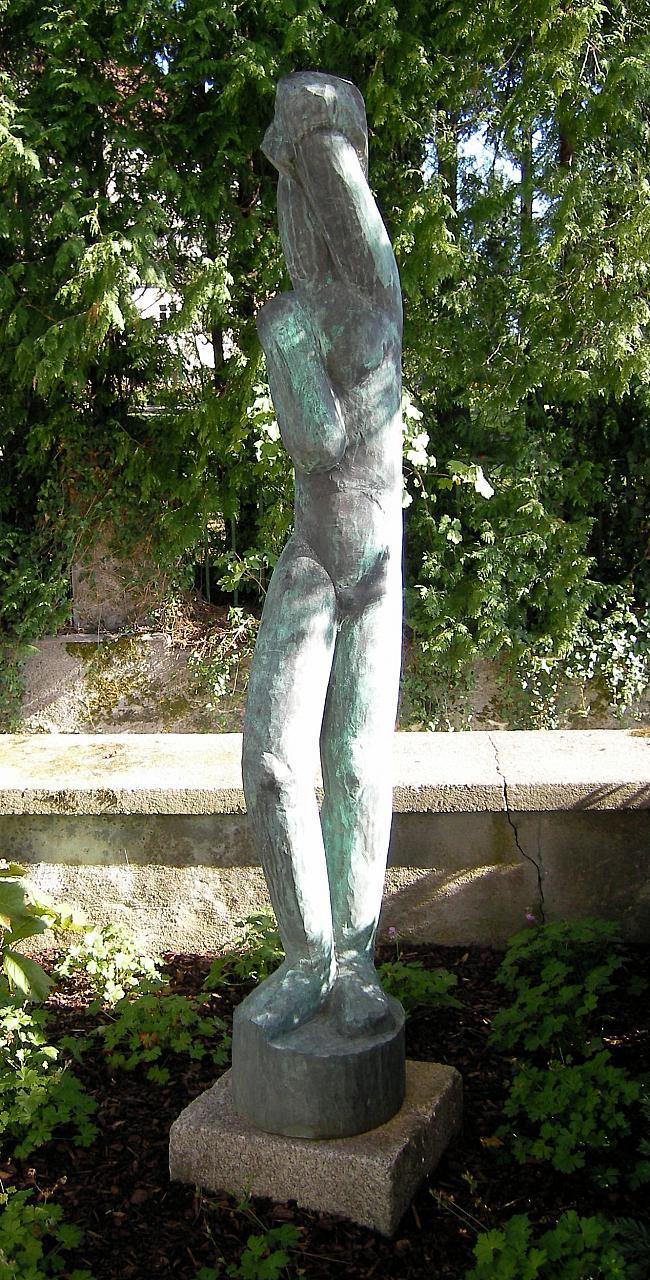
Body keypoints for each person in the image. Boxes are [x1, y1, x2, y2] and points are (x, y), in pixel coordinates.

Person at [240, 71, 403, 1038]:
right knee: (271, 761)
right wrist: (287, 335)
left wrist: (288, 339)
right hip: (312, 555)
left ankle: (357, 964)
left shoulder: (375, 309)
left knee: (354, 765)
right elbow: (316, 450)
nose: (325, 201)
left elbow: (322, 439)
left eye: (334, 169)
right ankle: (308, 958)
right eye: (302, 174)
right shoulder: (300, 313)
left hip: (372, 568)